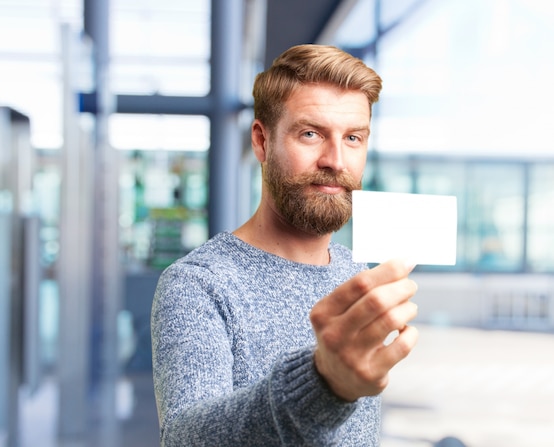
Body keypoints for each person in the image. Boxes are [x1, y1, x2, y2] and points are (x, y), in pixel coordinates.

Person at [151, 44, 419, 446]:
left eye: (353, 137)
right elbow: (187, 437)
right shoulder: (198, 285)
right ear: (261, 141)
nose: (336, 160)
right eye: (310, 134)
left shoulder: (355, 275)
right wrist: (323, 383)